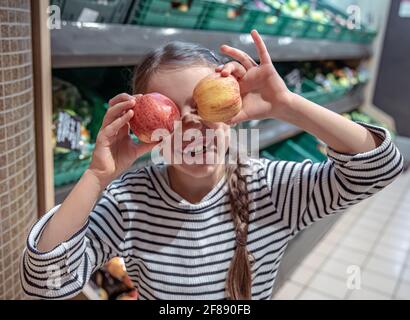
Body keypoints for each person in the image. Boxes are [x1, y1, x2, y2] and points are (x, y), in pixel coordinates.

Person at [21, 30, 403, 300]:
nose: (191, 122)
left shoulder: (269, 189)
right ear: (143, 131)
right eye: (169, 112)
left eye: (203, 102)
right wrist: (96, 176)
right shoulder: (128, 203)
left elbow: (379, 168)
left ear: (231, 107)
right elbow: (46, 283)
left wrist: (286, 105)